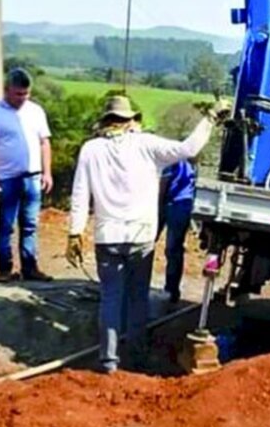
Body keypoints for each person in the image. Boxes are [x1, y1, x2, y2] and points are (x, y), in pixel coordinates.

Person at [67, 93, 230, 373]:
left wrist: (75, 232)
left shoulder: (90, 149)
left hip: (108, 236)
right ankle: (137, 356)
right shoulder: (146, 145)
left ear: (106, 121)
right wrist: (211, 117)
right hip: (141, 236)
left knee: (110, 298)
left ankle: (108, 361)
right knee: (137, 298)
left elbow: (80, 193)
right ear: (131, 121)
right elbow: (189, 148)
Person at [0, 68, 54, 281]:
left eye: (26, 94)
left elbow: (45, 142)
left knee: (30, 224)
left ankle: (30, 267)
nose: (23, 98)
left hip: (32, 177)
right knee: (6, 225)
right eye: (18, 94)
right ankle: (4, 269)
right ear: (7, 90)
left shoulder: (36, 111)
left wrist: (47, 172)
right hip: (7, 178)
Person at [158, 159, 197, 304]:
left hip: (172, 204)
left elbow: (164, 184)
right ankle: (172, 290)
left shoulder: (172, 161)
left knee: (149, 244)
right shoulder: (191, 164)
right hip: (184, 205)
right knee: (175, 249)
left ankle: (136, 285)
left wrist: (157, 206)